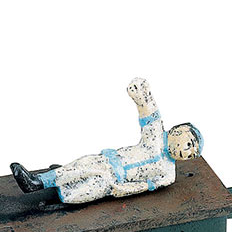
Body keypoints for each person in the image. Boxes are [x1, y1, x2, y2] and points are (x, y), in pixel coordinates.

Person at [11, 78, 204, 204]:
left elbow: (146, 185)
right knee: (82, 167)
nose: (188, 153)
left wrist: (125, 189)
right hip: (108, 161)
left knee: (86, 190)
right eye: (189, 144)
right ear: (177, 131)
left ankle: (61, 191)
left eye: (192, 154)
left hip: (115, 180)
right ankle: (38, 182)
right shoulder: (157, 136)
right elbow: (149, 112)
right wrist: (142, 94)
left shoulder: (168, 174)